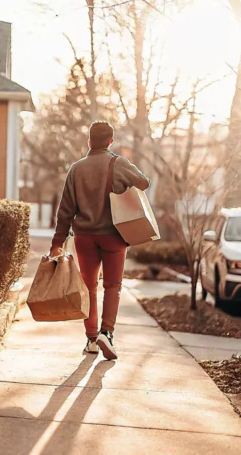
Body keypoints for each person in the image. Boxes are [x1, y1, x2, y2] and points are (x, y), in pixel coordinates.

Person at [49, 121, 150, 360]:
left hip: (84, 237)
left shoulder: (76, 169)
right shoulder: (119, 163)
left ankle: (92, 339)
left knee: (89, 286)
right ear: (110, 141)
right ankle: (107, 332)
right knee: (112, 286)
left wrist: (57, 242)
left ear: (89, 142)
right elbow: (143, 183)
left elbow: (65, 210)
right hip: (114, 235)